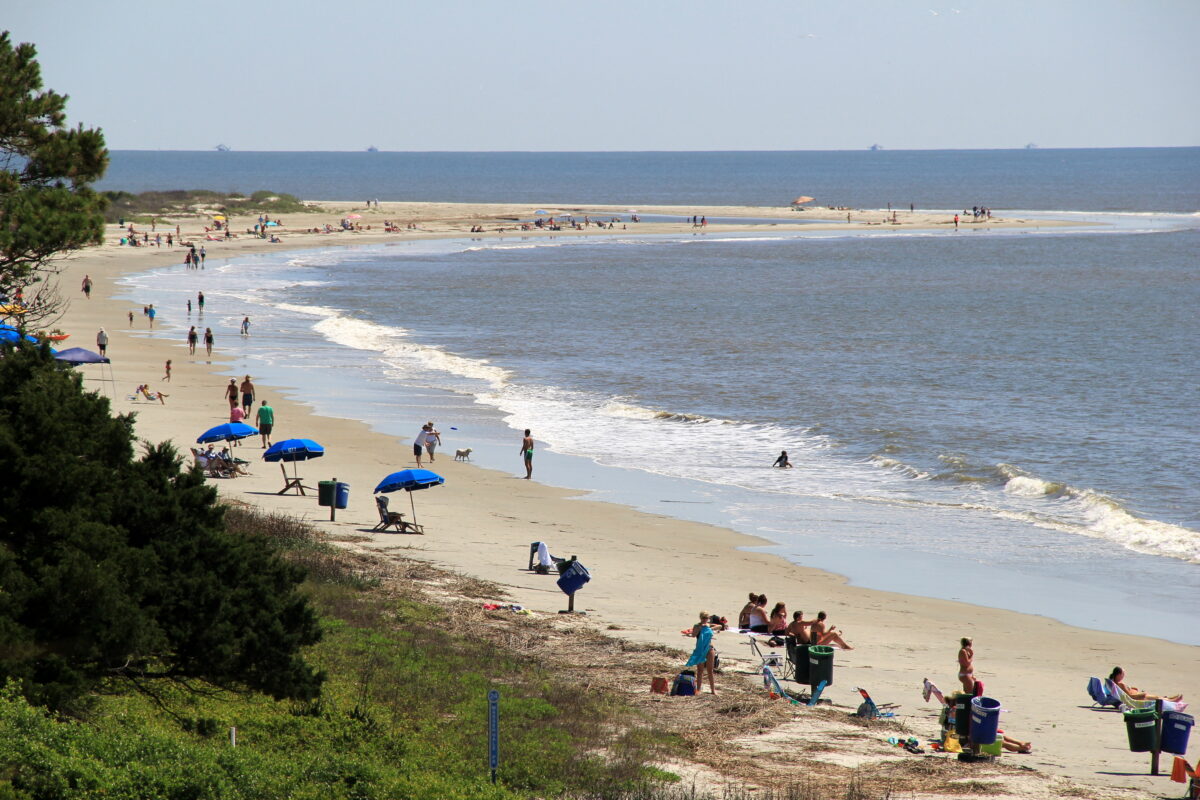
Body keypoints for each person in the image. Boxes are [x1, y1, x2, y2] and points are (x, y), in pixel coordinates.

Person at [684, 611, 717, 695]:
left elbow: (720, 626)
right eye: (703, 618)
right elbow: (693, 635)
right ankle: (698, 689)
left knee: (710, 670)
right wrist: (699, 628)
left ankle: (713, 690)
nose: (705, 619)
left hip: (709, 648)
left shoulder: (709, 625)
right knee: (700, 670)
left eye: (706, 618)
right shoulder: (697, 626)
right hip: (700, 649)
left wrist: (711, 627)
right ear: (700, 618)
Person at [1109, 667, 1182, 703]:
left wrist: (1131, 688)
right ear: (1118, 675)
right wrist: (1142, 695)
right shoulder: (1120, 684)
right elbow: (1130, 696)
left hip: (1137, 695)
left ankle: (1169, 698)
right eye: (1123, 674)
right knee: (1156, 698)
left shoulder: (1115, 683)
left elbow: (1126, 693)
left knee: (1156, 697)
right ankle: (1171, 701)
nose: (1124, 675)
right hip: (1139, 697)